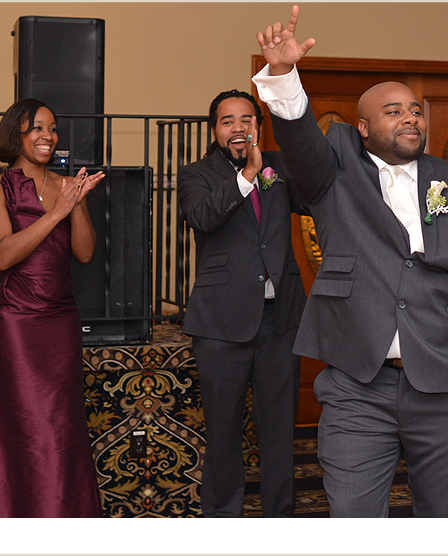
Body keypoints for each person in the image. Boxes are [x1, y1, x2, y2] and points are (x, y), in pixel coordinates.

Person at [252, 6, 448, 518]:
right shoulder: (335, 174)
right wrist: (284, 75)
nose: (409, 117)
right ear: (363, 126)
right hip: (358, 388)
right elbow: (300, 144)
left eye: (415, 109)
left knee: (447, 526)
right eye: (393, 111)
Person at [177, 89, 309, 518]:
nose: (238, 128)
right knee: (223, 432)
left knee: (279, 434)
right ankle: (223, 523)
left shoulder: (280, 165)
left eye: (246, 119)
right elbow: (202, 217)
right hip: (220, 323)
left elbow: (314, 198)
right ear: (214, 129)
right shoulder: (196, 173)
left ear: (258, 124)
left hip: (280, 320)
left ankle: (279, 522)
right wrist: (247, 177)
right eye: (228, 121)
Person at [0, 98, 104, 517]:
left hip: (61, 319)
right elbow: (4, 255)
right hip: (18, 322)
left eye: (53, 129)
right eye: (37, 128)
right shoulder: (3, 188)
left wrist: (75, 203)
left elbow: (84, 253)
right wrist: (55, 212)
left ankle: (64, 517)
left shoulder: (66, 185)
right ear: (16, 136)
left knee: (63, 425)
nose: (48, 136)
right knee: (30, 422)